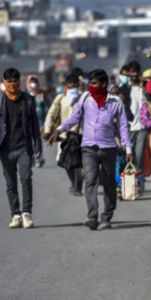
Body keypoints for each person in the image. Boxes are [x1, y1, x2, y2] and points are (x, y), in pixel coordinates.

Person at [50, 69, 132, 231]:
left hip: (108, 148)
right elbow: (74, 117)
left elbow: (123, 126)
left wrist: (128, 148)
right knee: (90, 180)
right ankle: (92, 216)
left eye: (95, 83)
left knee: (108, 183)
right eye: (91, 83)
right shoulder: (85, 98)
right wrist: (59, 129)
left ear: (104, 84)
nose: (92, 86)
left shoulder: (115, 102)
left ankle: (107, 217)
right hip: (88, 148)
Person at [0, 68, 42, 229]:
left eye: (15, 81)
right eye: (9, 81)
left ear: (20, 81)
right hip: (5, 148)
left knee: (25, 178)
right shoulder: (1, 100)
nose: (12, 84)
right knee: (10, 183)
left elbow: (34, 126)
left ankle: (26, 213)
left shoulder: (28, 100)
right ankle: (15, 214)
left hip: (23, 147)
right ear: (4, 82)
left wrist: (38, 147)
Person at [43, 73, 83, 196]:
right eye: (70, 85)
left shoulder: (84, 98)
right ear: (66, 86)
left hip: (81, 135)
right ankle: (75, 183)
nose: (73, 88)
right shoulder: (60, 98)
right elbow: (51, 114)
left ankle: (77, 186)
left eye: (75, 85)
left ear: (79, 85)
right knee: (65, 162)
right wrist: (47, 130)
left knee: (77, 163)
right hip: (64, 136)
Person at [127, 61, 147, 195]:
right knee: (129, 157)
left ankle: (139, 184)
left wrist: (144, 86)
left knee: (139, 156)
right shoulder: (124, 88)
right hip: (127, 127)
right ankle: (129, 185)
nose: (133, 76)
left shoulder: (145, 87)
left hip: (142, 126)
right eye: (131, 73)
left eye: (136, 73)